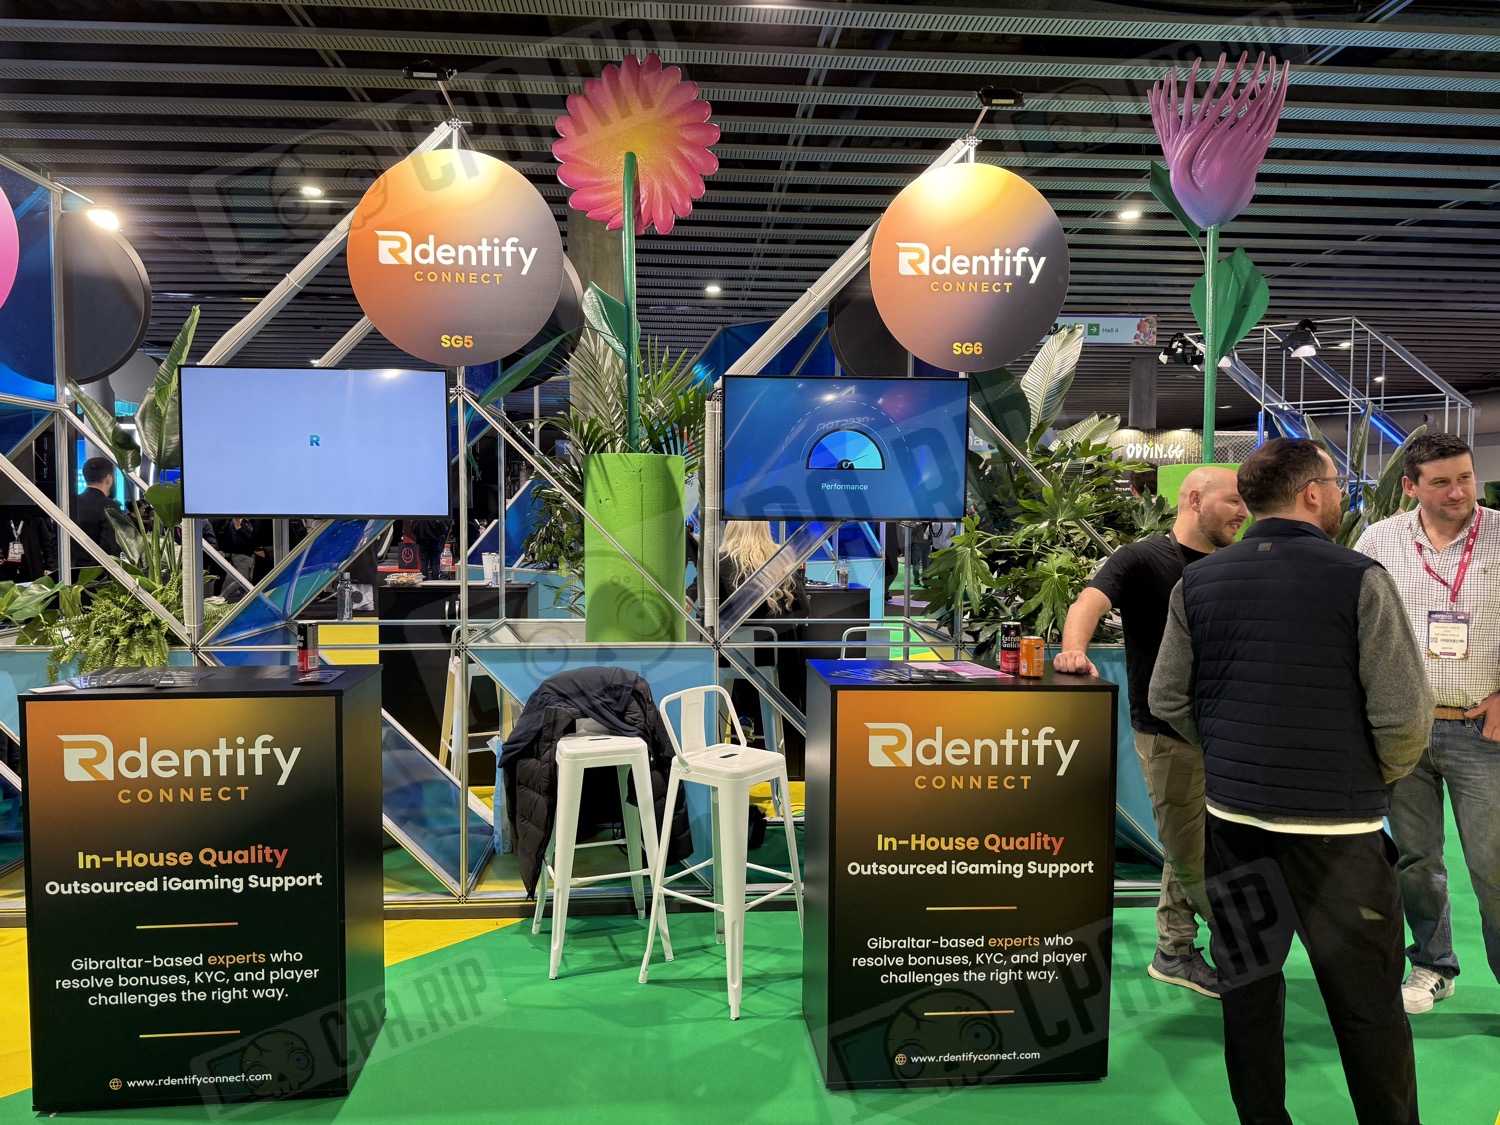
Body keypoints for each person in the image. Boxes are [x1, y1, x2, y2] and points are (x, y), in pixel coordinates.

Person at [1150, 437, 1431, 1125]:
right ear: (1311, 493)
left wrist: (1231, 751)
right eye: (1334, 484)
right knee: (1368, 1006)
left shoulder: (1198, 582)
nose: (1339, 495)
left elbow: (1168, 697)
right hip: (1340, 836)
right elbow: (1404, 717)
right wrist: (1373, 774)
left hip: (1235, 827)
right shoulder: (1359, 577)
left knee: (1248, 994)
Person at [1053, 465, 1247, 997]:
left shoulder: (1233, 564)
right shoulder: (1142, 558)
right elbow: (1089, 602)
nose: (1244, 511)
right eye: (1233, 500)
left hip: (1226, 732)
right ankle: (1243, 939)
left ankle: (1174, 951)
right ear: (1194, 499)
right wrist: (1073, 651)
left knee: (1191, 842)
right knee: (1189, 853)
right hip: (1167, 732)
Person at [1354, 432, 1500, 1014]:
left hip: (1483, 730)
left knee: (1493, 865)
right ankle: (1434, 965)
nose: (1458, 491)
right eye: (1441, 482)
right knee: (1417, 861)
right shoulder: (1379, 540)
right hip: (1404, 730)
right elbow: (1356, 624)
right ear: (1410, 486)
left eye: (1464, 477)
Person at [720, 521, 810, 754]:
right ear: (764, 528)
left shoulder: (719, 562)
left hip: (728, 659)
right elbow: (804, 609)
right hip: (774, 659)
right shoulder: (780, 559)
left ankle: (742, 718)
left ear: (731, 528)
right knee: (773, 652)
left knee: (740, 657)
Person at [74, 455, 121, 562]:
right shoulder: (111, 507)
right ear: (108, 479)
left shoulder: (71, 502)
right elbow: (110, 546)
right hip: (97, 570)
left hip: (68, 568)